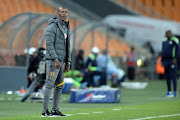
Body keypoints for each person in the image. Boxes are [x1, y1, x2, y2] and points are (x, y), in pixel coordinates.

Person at [42, 7, 71, 117]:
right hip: (54, 62)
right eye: (62, 12)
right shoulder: (52, 27)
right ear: (58, 13)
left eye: (66, 12)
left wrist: (68, 61)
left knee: (59, 86)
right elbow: (49, 45)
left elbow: (68, 45)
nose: (64, 14)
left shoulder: (66, 27)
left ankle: (55, 110)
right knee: (49, 85)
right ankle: (45, 111)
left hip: (63, 62)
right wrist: (55, 59)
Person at [161, 30, 179, 97]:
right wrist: (162, 60)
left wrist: (175, 58)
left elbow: (177, 50)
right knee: (167, 76)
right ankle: (169, 91)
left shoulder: (175, 40)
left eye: (168, 33)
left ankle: (175, 91)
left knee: (173, 76)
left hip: (172, 60)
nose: (167, 34)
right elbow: (163, 50)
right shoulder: (164, 40)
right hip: (166, 61)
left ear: (171, 34)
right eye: (166, 33)